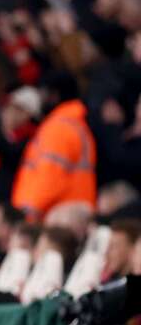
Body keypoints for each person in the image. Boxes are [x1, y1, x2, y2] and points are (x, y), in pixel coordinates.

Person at [12, 72, 97, 221]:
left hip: (52, 218)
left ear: (54, 95)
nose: (39, 99)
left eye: (42, 93)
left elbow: (50, 177)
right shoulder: (75, 124)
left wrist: (25, 216)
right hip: (68, 215)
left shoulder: (58, 128)